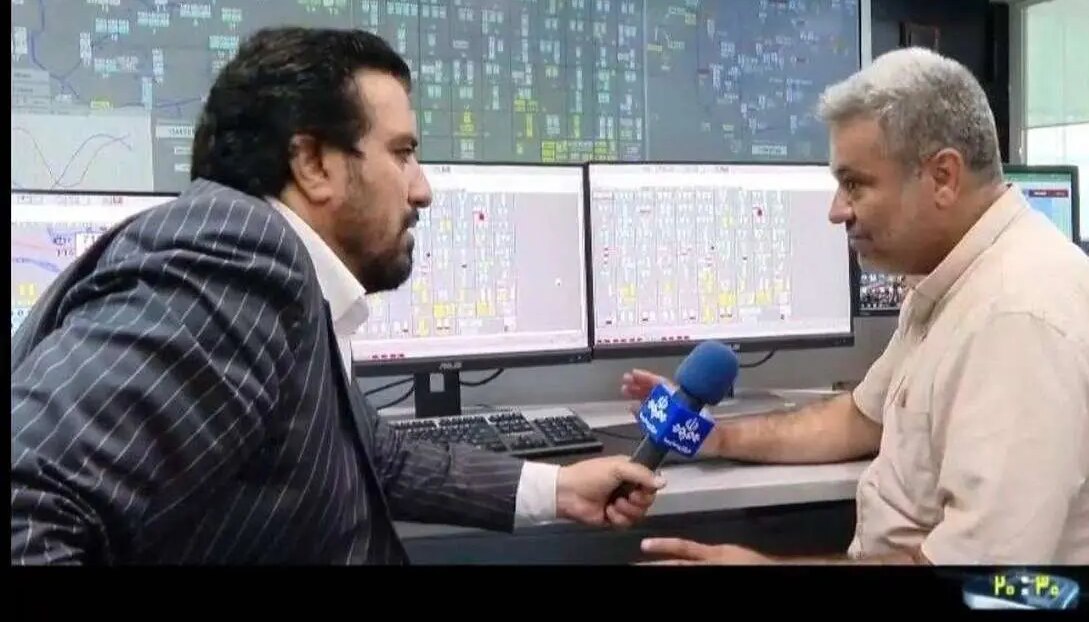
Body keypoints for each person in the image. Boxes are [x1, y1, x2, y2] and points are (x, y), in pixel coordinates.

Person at [10, 27, 663, 565]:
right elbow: (28, 510)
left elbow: (370, 453)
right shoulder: (236, 264)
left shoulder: (275, 271)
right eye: (401, 153)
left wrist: (557, 488)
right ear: (313, 164)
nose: (422, 188)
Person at [631, 47, 1089, 565]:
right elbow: (860, 420)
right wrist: (713, 437)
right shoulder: (953, 278)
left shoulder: (1018, 315)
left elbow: (983, 577)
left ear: (943, 177)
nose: (837, 211)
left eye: (854, 184)